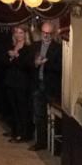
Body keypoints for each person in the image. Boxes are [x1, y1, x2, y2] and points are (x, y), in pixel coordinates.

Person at [30, 18, 63, 151]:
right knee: (39, 115)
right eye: (44, 32)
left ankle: (56, 145)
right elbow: (28, 62)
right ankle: (41, 142)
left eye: (48, 33)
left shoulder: (58, 48)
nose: (46, 35)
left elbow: (61, 67)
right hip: (38, 84)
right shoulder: (35, 46)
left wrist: (46, 63)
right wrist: (36, 63)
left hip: (51, 86)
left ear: (53, 33)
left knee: (55, 116)